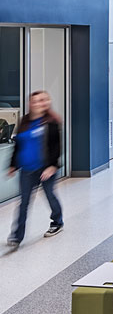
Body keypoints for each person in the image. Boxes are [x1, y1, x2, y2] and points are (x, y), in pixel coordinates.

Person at [7, 90, 64, 248]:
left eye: (42, 100)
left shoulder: (51, 122)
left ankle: (57, 221)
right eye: (36, 101)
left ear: (47, 103)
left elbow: (56, 148)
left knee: (50, 195)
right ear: (30, 104)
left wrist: (52, 166)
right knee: (23, 202)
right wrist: (13, 164)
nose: (39, 103)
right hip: (26, 170)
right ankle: (16, 237)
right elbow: (18, 145)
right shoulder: (24, 121)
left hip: (46, 169)